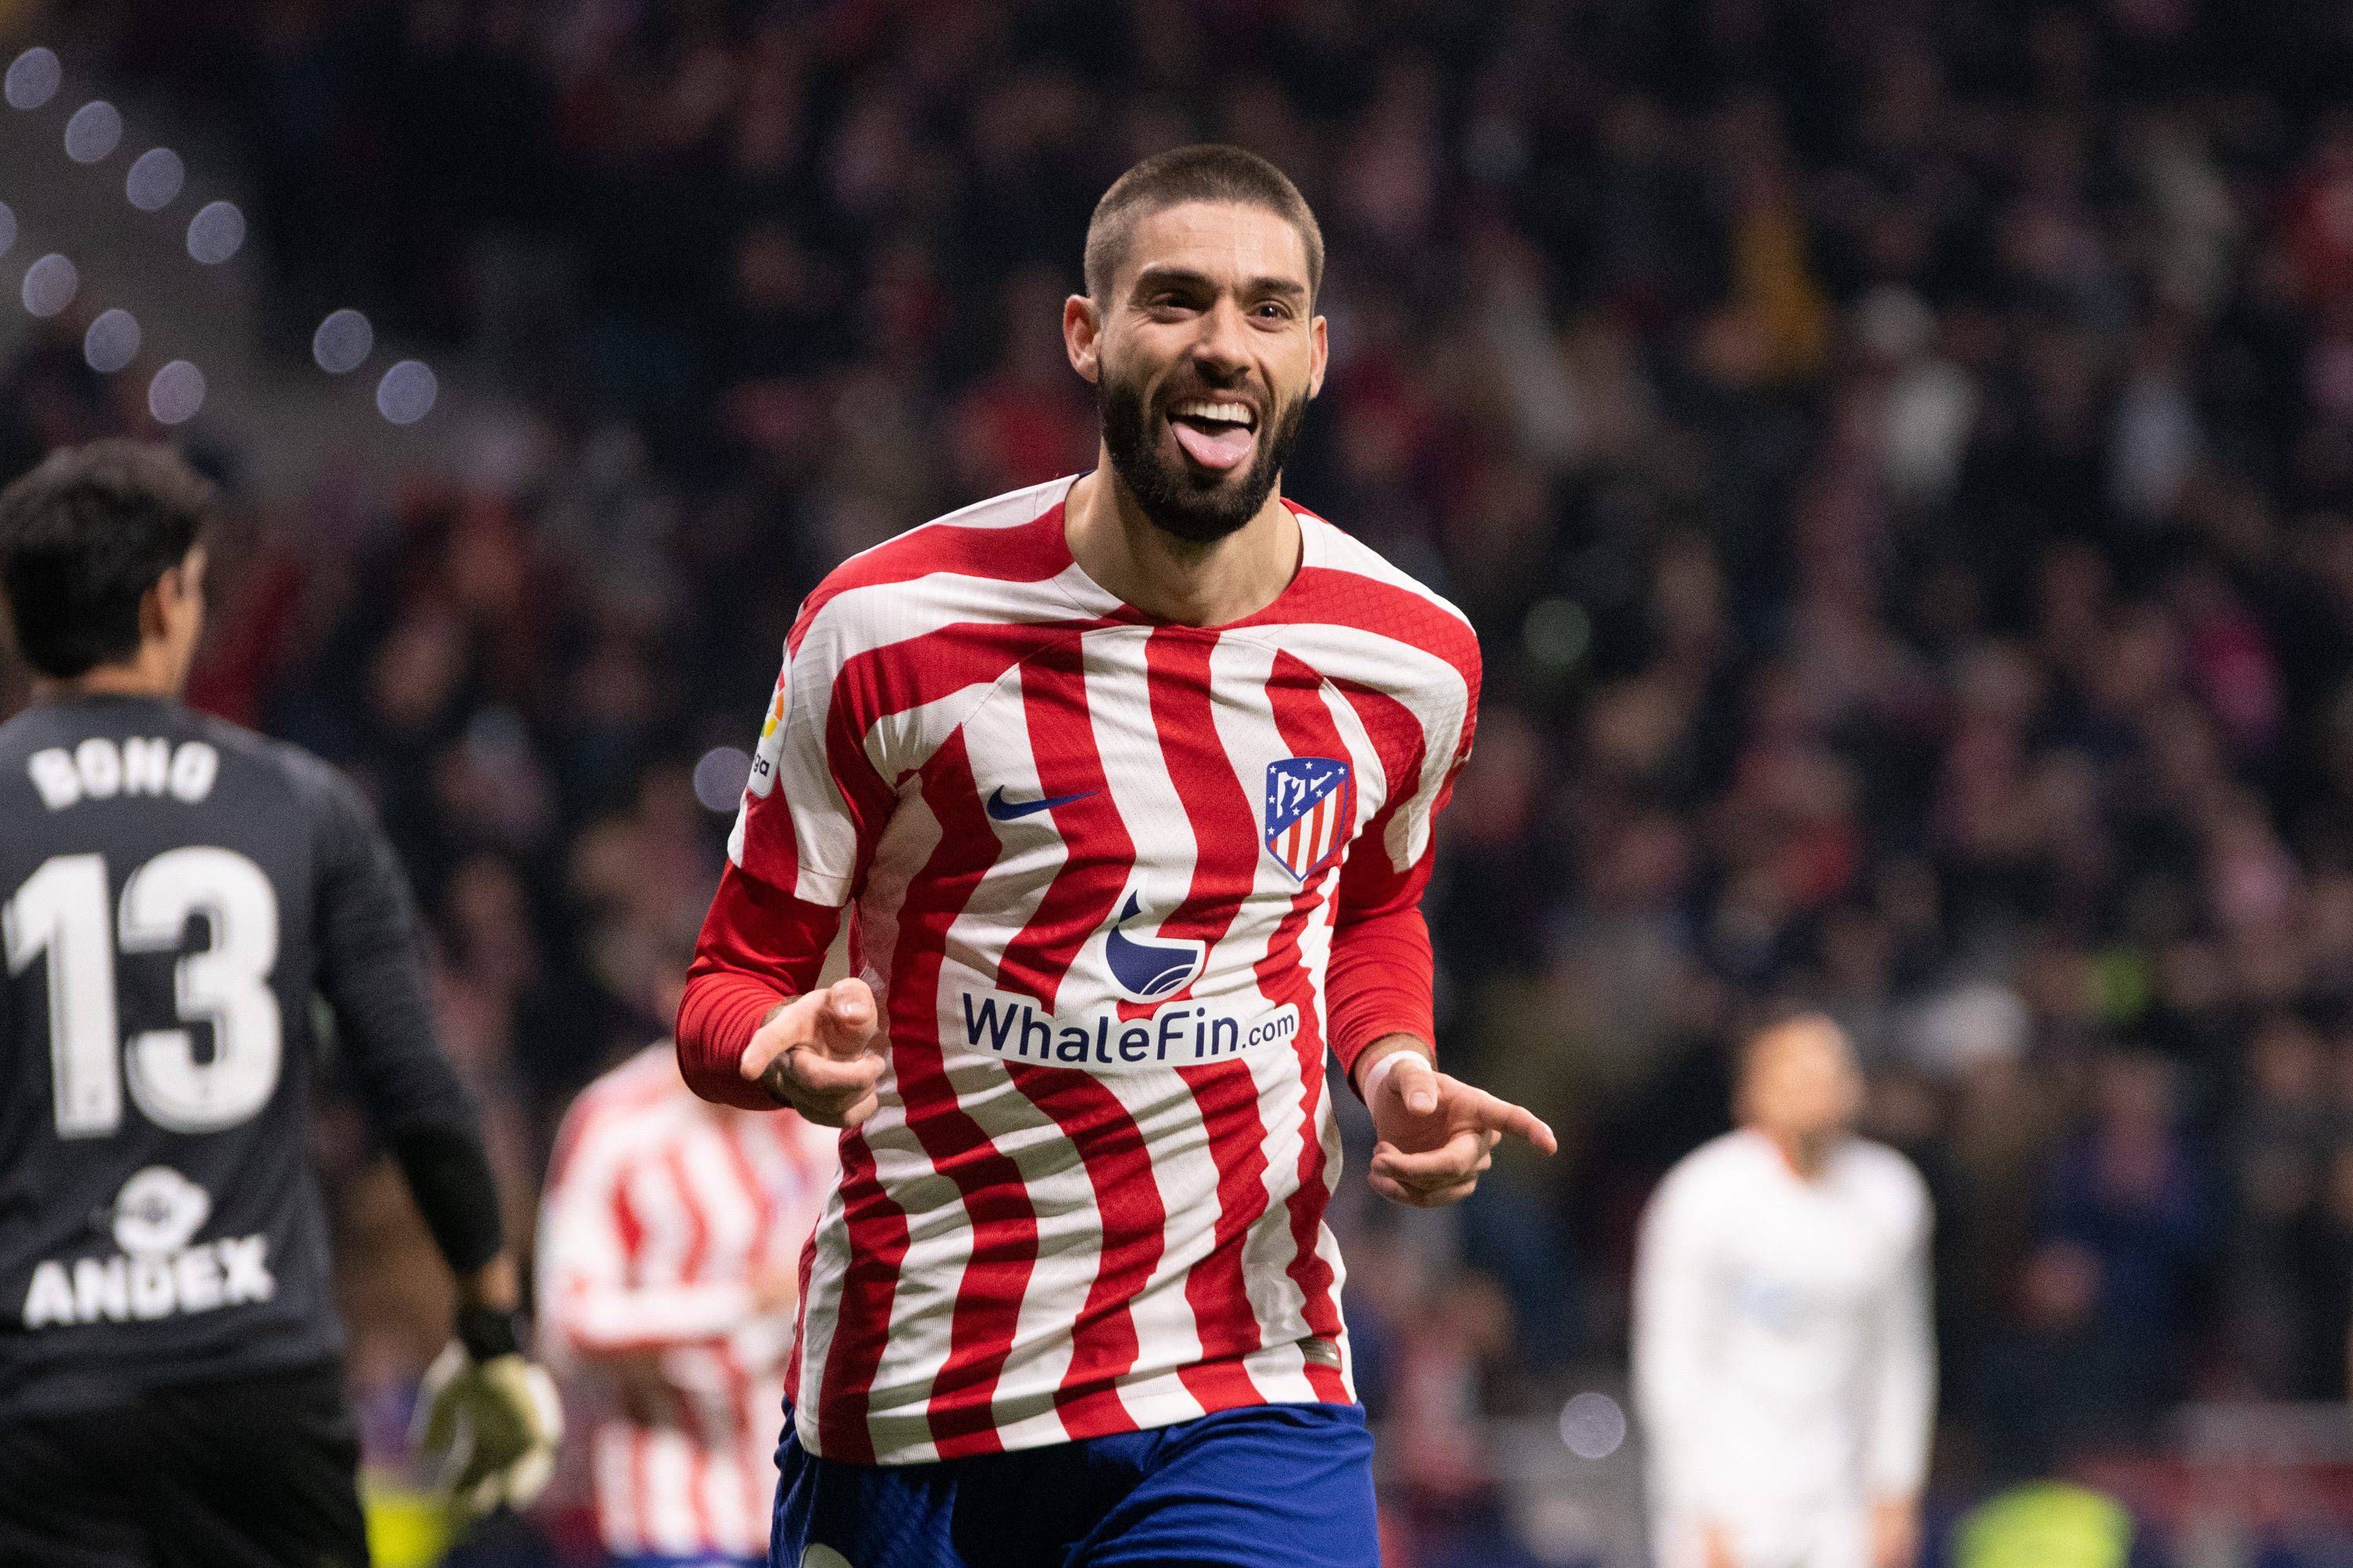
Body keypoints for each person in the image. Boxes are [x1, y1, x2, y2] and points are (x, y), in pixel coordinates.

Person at [675, 144, 1557, 1568]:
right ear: (1087, 335)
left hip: (1242, 1374)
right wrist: (773, 1048)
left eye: (1269, 310)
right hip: (919, 1393)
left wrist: (1390, 1064)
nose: (1225, 344)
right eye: (1178, 301)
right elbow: (727, 981)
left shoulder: (1411, 657)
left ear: (1318, 356)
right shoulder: (887, 628)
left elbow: (1373, 904)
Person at [0, 441, 558, 1566]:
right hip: (257, 1379)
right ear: (168, 599)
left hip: (41, 1389)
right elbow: (420, 1087)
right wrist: (493, 1331)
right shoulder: (299, 806)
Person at [1633, 1013, 1934, 1568]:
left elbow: (1901, 1353)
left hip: (1842, 1495)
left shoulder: (1892, 1193)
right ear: (1752, 1092)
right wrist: (1699, 1507)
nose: (1814, 1085)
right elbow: (1671, 1360)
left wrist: (1897, 1487)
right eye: (1793, 1071)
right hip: (1731, 1487)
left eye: (1830, 1070)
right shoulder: (1701, 1196)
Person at [538, 1039, 838, 1567]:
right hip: (674, 1512)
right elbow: (571, 1318)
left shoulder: (817, 1106)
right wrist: (740, 1304)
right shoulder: (616, 1121)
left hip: (809, 1510)